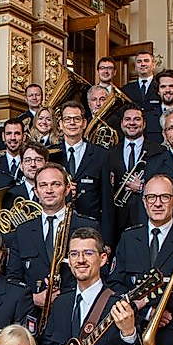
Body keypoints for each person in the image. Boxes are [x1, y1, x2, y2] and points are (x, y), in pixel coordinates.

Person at [108, 175, 173, 345]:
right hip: (130, 329)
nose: (157, 203)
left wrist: (159, 309)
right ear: (144, 202)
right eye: (151, 197)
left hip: (172, 333)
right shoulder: (129, 238)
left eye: (164, 197)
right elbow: (114, 285)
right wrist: (148, 311)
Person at [4, 164, 98, 310]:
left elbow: (98, 274)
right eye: (43, 185)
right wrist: (34, 298)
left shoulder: (87, 226)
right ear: (36, 191)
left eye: (56, 184)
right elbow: (12, 279)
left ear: (67, 189)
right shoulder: (23, 231)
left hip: (76, 309)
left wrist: (65, 296)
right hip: (33, 313)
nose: (49, 190)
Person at [55, 100, 113, 241]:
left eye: (77, 119)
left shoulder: (101, 155)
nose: (72, 123)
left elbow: (107, 201)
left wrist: (107, 240)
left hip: (92, 228)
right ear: (61, 124)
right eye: (67, 119)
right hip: (59, 228)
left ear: (84, 123)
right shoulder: (52, 154)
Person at [108, 107, 165, 237]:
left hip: (146, 216)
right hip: (118, 220)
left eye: (137, 119)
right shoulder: (110, 154)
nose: (132, 123)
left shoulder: (159, 151)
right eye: (127, 119)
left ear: (144, 124)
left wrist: (141, 187)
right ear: (122, 123)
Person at [144, 69, 173, 145]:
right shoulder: (147, 118)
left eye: (172, 86)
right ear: (158, 91)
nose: (167, 90)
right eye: (163, 87)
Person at [5, 142, 47, 206]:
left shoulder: (54, 192)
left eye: (38, 160)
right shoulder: (10, 195)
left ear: (46, 165)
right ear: (21, 166)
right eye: (28, 160)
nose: (33, 165)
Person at [0, 118, 26, 183]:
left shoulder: (31, 164)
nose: (13, 138)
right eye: (9, 133)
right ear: (3, 136)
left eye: (17, 133)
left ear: (24, 137)